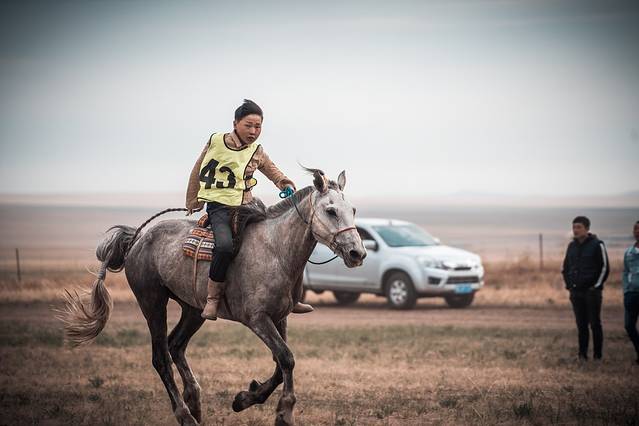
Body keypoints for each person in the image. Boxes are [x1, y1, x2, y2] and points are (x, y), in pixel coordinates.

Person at [185, 99, 313, 320]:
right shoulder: (216, 141)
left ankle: (293, 297)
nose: (253, 131)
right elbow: (198, 168)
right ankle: (212, 299)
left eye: (258, 126)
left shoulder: (257, 151)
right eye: (248, 125)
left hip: (247, 206)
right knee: (224, 247)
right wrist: (193, 200)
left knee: (287, 242)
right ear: (235, 123)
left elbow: (273, 171)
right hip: (219, 207)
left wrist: (286, 184)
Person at [562, 216, 609, 361]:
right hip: (576, 292)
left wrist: (596, 287)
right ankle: (582, 355)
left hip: (592, 292)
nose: (575, 230)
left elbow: (605, 268)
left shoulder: (597, 245)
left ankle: (597, 356)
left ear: (587, 229)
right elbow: (566, 268)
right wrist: (569, 286)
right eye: (574, 227)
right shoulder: (571, 246)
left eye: (579, 227)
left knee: (594, 324)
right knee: (581, 325)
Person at [623, 221, 639, 364]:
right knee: (629, 325)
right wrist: (626, 290)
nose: (637, 231)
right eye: (635, 229)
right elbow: (625, 272)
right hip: (632, 294)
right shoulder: (629, 253)